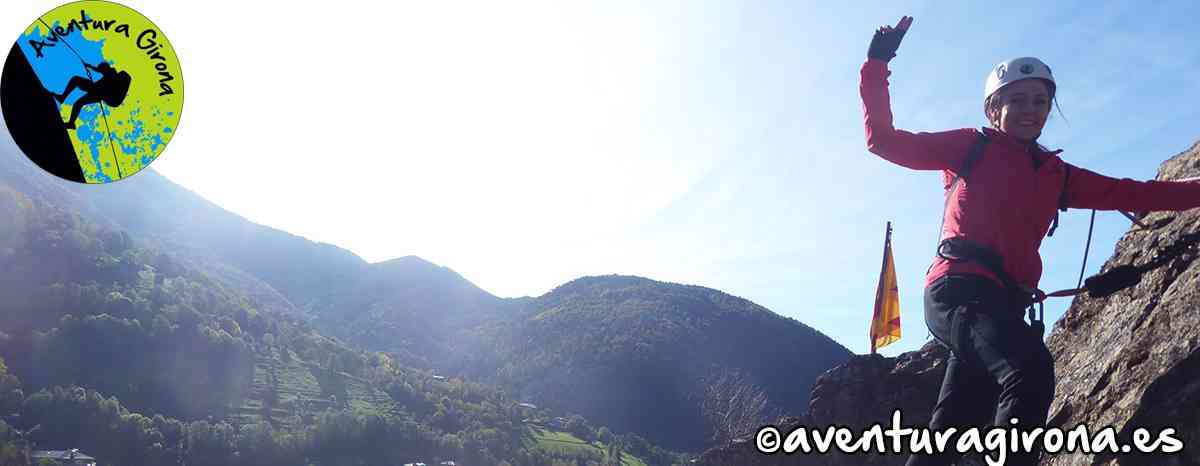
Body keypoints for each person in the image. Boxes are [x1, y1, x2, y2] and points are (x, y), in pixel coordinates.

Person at [861, 15, 1200, 466]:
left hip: (1001, 303)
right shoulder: (971, 147)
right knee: (1028, 368)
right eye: (1017, 100)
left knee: (953, 425)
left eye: (1040, 101)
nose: (1030, 109)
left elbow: (1132, 192)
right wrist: (877, 63)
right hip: (957, 290)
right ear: (992, 109)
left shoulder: (1055, 174)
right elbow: (883, 140)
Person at [53, 61, 132, 130]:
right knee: (78, 103)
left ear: (105, 68)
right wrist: (90, 66)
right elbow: (101, 71)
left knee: (75, 79)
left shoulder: (112, 74)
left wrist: (90, 67)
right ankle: (71, 123)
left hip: (102, 93)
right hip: (100, 94)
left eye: (102, 71)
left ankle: (62, 98)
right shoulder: (108, 76)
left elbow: (103, 72)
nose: (101, 73)